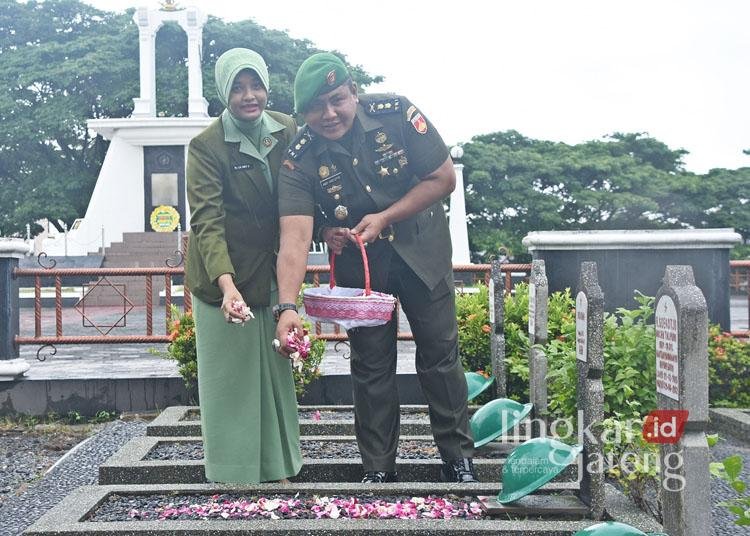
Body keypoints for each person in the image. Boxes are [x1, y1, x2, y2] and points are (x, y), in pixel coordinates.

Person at [274, 52, 477, 483]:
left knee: (439, 356)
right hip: (361, 270)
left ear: (354, 93)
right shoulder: (300, 157)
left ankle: (458, 459)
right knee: (370, 365)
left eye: (337, 100)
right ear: (302, 114)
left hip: (422, 252)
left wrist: (386, 217)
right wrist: (287, 306)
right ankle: (378, 468)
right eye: (315, 107)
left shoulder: (397, 114)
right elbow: (293, 239)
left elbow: (443, 178)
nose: (328, 114)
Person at [184, 48, 302, 484]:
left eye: (255, 85)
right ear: (223, 92)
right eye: (237, 87)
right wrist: (227, 286)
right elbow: (206, 224)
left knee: (274, 369)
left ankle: (276, 468)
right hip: (221, 276)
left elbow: (302, 194)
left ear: (267, 86)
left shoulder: (287, 129)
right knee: (231, 377)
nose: (248, 96)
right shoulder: (206, 146)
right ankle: (234, 474)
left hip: (272, 271)